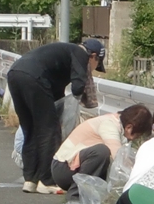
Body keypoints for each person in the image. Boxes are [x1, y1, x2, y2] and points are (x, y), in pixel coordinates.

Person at [7, 40, 106, 195]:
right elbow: (78, 86)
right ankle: (46, 181)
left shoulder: (62, 55)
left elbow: (56, 95)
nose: (93, 70)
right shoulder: (80, 53)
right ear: (93, 56)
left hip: (15, 74)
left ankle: (30, 179)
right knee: (50, 131)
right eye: (97, 64)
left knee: (31, 130)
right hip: (34, 77)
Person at [51, 104, 153, 201]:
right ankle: (75, 194)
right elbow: (118, 156)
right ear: (129, 127)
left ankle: (91, 195)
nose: (137, 138)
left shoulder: (119, 126)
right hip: (62, 168)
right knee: (102, 152)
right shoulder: (109, 124)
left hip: (71, 168)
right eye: (138, 134)